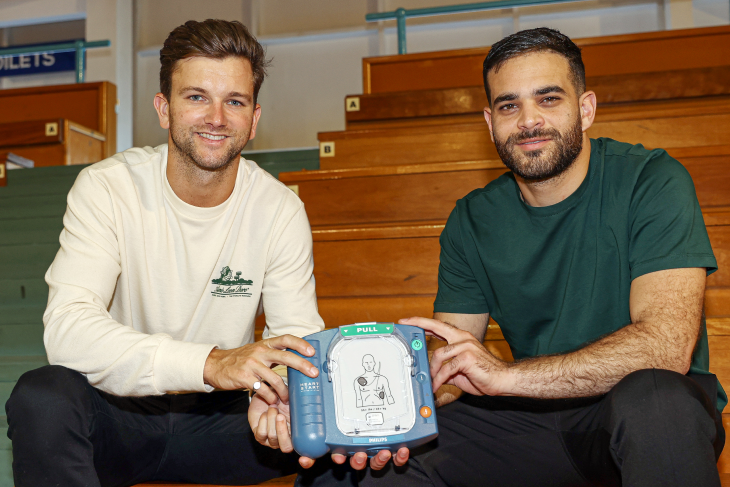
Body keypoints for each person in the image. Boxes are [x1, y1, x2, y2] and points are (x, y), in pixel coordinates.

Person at [298, 27, 726, 487]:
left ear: (585, 110)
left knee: (656, 397)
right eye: (509, 105)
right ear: (490, 122)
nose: (528, 121)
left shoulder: (651, 180)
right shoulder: (472, 218)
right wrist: (383, 413)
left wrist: (505, 377)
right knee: (348, 469)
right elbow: (449, 365)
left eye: (548, 99)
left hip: (647, 420)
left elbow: (666, 348)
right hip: (536, 418)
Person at [5, 19, 325, 487]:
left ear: (254, 119)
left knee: (335, 423)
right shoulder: (107, 188)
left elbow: (296, 336)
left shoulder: (279, 209)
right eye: (196, 97)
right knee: (41, 396)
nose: (216, 117)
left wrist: (277, 396)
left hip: (227, 421)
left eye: (234, 101)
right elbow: (69, 331)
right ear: (164, 109)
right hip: (121, 413)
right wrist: (210, 363)